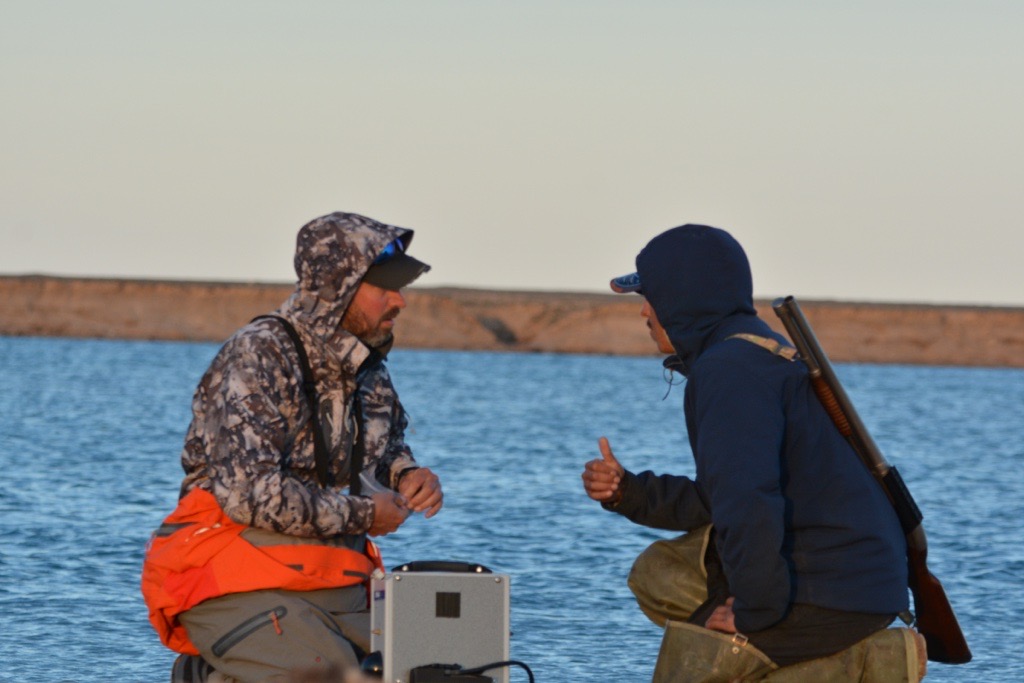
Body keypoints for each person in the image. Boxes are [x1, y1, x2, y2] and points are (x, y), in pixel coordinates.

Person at [581, 224, 918, 681]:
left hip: (832, 593)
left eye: (651, 296)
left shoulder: (728, 371)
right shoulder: (751, 350)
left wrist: (753, 618)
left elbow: (748, 505)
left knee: (696, 660)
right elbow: (722, 497)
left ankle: (861, 657)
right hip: (855, 581)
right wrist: (629, 492)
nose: (644, 310)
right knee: (658, 571)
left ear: (683, 299)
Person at [142, 212, 444, 683]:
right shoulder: (257, 355)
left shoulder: (369, 367)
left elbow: (382, 454)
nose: (400, 301)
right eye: (384, 287)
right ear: (335, 286)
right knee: (337, 679)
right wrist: (366, 515)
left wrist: (406, 475)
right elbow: (251, 494)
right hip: (234, 581)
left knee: (446, 667)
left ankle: (229, 670)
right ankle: (215, 668)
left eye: (401, 287)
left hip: (331, 586)